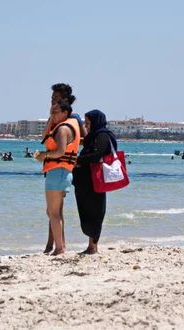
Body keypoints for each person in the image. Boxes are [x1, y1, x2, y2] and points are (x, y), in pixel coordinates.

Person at [35, 99, 80, 256]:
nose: (53, 115)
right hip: (60, 172)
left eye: (56, 113)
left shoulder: (62, 130)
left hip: (58, 171)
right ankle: (61, 247)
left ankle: (59, 248)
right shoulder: (60, 127)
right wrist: (51, 119)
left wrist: (45, 155)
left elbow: (60, 151)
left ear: (65, 113)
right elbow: (44, 136)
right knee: (54, 212)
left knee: (53, 212)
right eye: (51, 113)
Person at [72, 109, 117, 255]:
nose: (86, 125)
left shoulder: (102, 135)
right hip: (85, 181)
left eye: (88, 122)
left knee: (95, 213)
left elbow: (97, 155)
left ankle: (93, 246)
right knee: (86, 212)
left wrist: (78, 160)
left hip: (94, 181)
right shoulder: (93, 137)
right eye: (85, 122)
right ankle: (91, 245)